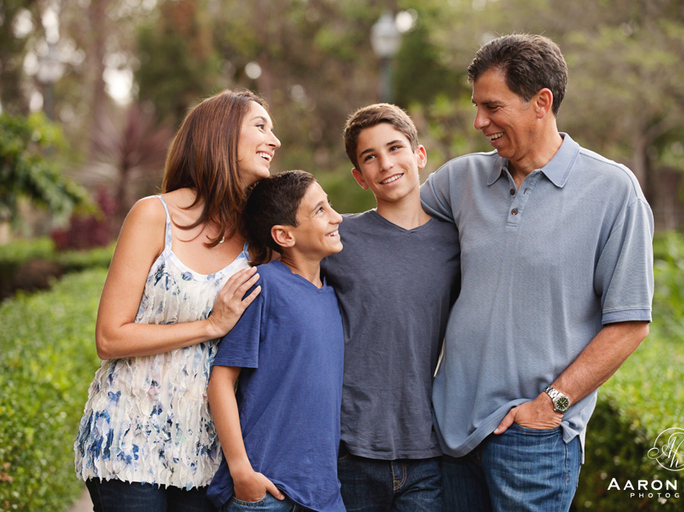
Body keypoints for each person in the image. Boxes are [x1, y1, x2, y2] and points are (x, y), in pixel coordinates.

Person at [420, 34, 654, 512]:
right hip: (450, 435)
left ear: (541, 103)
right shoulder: (457, 180)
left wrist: (552, 406)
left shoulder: (612, 190)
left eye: (491, 106)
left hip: (535, 442)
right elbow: (388, 236)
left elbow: (629, 322)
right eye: (475, 106)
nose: (478, 121)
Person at [74, 89, 280, 511]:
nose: (274, 141)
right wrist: (209, 326)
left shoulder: (259, 241)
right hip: (128, 441)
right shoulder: (154, 216)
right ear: (220, 136)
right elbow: (110, 337)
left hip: (207, 450)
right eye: (260, 126)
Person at [321, 103, 461, 511]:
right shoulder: (337, 237)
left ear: (419, 156)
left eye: (395, 148)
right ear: (360, 177)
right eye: (370, 157)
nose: (385, 164)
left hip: (426, 451)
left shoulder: (455, 243)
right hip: (350, 450)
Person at [206, 170, 346, 512]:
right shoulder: (263, 285)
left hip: (323, 494)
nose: (337, 216)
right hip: (265, 491)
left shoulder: (331, 294)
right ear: (283, 235)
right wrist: (242, 472)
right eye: (320, 210)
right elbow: (221, 381)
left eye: (329, 205)